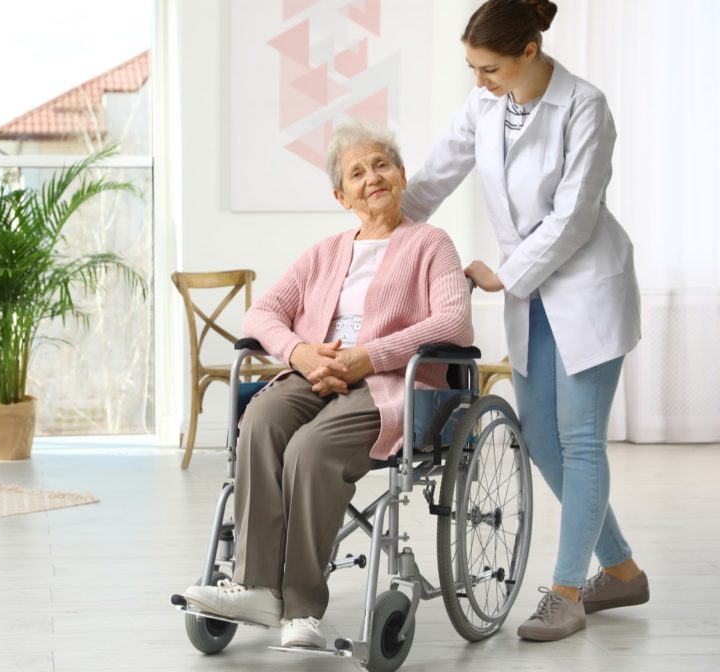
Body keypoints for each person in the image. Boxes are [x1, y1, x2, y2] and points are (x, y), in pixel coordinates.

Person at [400, 0, 647, 642]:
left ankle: (566, 593)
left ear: (529, 52)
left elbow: (574, 216)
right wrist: (383, 226)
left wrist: (505, 274)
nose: (479, 80)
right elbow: (432, 178)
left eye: (490, 68)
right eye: (473, 68)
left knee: (581, 438)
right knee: (541, 439)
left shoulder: (585, 106)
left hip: (587, 287)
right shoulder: (486, 105)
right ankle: (620, 569)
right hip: (532, 295)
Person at [183, 121, 473, 649]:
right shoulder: (324, 252)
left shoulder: (432, 244)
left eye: (381, 164)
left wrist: (370, 355)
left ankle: (301, 609)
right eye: (356, 173)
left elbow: (452, 322)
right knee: (263, 420)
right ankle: (256, 586)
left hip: (389, 381)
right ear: (342, 196)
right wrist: (300, 351)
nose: (372, 177)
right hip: (315, 371)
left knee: (311, 449)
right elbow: (262, 313)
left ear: (403, 176)